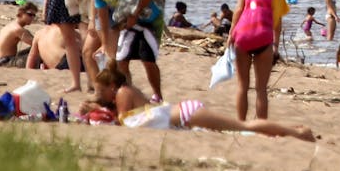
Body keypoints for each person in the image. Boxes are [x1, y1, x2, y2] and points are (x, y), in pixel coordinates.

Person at [85, 63, 314, 141]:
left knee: (242, 126)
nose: (99, 95)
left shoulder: (123, 93)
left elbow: (124, 124)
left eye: (100, 91)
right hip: (184, 115)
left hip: (186, 114)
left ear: (111, 87)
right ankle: (292, 131)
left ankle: (297, 133)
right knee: (240, 130)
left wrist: (97, 109)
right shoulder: (126, 91)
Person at [80, 0, 164, 103]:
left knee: (147, 60)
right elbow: (103, 16)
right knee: (121, 61)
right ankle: (128, 92)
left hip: (150, 18)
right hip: (127, 22)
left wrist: (135, 14)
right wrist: (104, 45)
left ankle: (157, 95)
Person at [229, 0, 288, 121]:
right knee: (261, 89)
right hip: (264, 39)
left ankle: (241, 124)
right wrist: (275, 45)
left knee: (242, 86)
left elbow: (239, 9)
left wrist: (231, 33)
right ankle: (262, 127)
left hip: (244, 38)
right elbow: (277, 21)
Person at [0, 2, 37, 66]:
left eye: (34, 15)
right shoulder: (18, 29)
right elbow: (37, 43)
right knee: (39, 50)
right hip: (6, 62)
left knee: (31, 49)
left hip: (1, 60)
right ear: (21, 13)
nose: (32, 18)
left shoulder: (10, 25)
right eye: (30, 15)